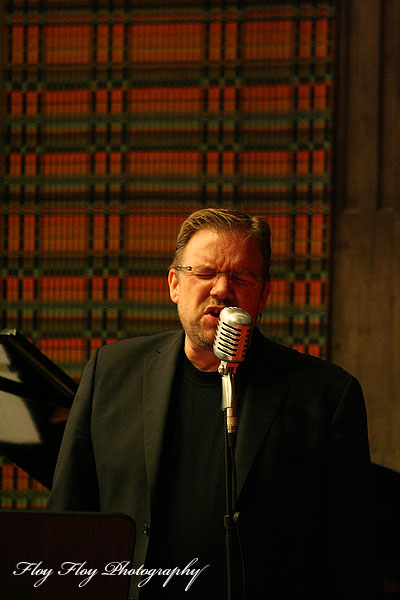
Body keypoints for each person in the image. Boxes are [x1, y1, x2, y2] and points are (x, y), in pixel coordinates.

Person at [47, 208, 379, 599]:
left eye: (241, 277)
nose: (222, 289)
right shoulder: (111, 372)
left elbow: (351, 558)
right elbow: (66, 523)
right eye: (204, 273)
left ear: (263, 295)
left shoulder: (325, 395)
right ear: (174, 284)